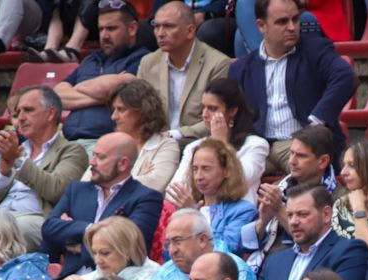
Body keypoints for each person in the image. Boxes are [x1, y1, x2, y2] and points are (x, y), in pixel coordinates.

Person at [227, 0, 354, 172]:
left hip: (302, 143)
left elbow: (346, 77)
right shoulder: (240, 69)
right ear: (261, 26)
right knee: (232, 173)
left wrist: (316, 121)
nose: (292, 27)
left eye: (295, 19)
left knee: (302, 167)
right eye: (282, 22)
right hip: (261, 146)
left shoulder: (316, 49)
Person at [0, 86, 89, 249]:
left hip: (37, 220)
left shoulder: (71, 150)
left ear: (50, 114)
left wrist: (18, 160)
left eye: (28, 110)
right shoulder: (16, 149)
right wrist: (4, 170)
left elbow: (57, 190)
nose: (20, 118)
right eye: (18, 112)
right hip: (0, 217)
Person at [42, 133, 164, 278]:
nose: (92, 162)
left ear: (123, 164)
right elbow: (49, 228)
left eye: (101, 157)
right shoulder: (76, 190)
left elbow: (130, 245)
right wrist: (90, 229)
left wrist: (79, 243)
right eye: (93, 155)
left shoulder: (146, 198)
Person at [252, 184, 368, 280]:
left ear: (326, 214)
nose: (293, 222)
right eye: (290, 215)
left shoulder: (349, 252)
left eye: (302, 214)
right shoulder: (273, 261)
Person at [53, 2, 149, 148]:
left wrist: (76, 89)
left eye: (111, 28)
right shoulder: (91, 59)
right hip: (68, 143)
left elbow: (120, 90)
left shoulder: (143, 59)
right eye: (101, 29)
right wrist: (104, 95)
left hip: (107, 144)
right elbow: (58, 96)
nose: (104, 36)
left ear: (132, 28)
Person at [240, 126, 339, 263]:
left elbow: (322, 247)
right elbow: (246, 244)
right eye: (291, 153)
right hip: (264, 262)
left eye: (301, 156)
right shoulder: (278, 186)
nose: (292, 161)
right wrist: (263, 221)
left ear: (322, 161)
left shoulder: (339, 198)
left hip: (304, 266)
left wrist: (280, 210)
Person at [138, 4, 232, 145]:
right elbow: (139, 112)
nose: (160, 33)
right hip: (156, 144)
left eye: (168, 26)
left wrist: (173, 135)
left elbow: (218, 118)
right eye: (157, 26)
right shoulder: (148, 63)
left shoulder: (217, 64)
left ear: (190, 31)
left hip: (199, 144)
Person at [168, 78, 269, 207]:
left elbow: (240, 180)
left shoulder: (256, 145)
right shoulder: (193, 147)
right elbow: (174, 191)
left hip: (236, 216)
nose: (204, 114)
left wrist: (220, 145)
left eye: (212, 108)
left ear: (233, 111)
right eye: (203, 107)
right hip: (198, 213)